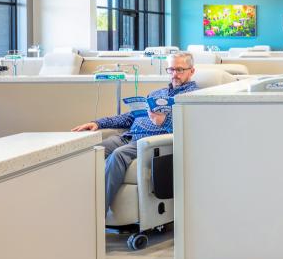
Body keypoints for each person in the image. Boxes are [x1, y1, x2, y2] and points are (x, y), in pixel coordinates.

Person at [72, 51, 198, 215]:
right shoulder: (156, 94)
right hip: (129, 137)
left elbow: (191, 129)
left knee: (118, 155)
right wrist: (97, 122)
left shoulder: (193, 97)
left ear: (192, 71)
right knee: (86, 150)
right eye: (171, 69)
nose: (175, 74)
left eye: (180, 70)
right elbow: (129, 117)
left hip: (151, 143)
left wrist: (164, 121)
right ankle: (75, 206)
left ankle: (94, 217)